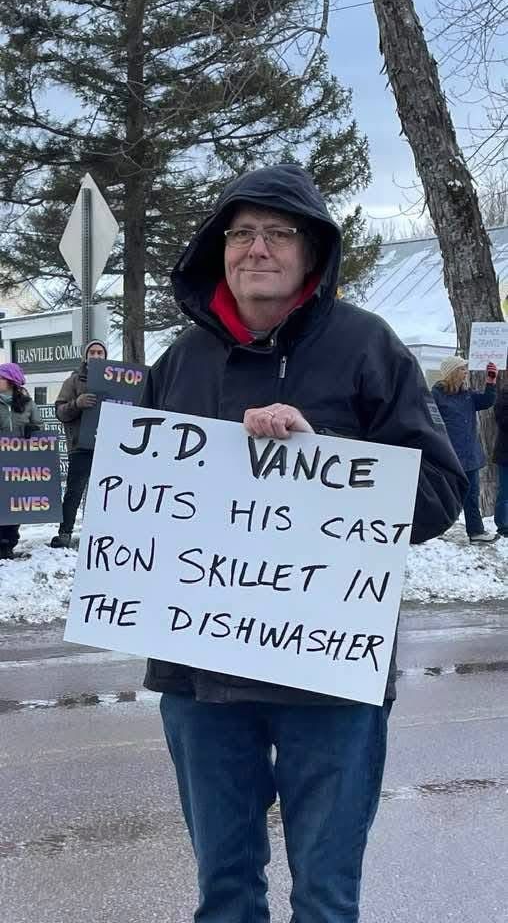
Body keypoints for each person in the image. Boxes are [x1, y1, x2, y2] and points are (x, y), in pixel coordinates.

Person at [141, 164, 467, 923]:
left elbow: (440, 497)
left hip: (330, 676)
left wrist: (323, 464)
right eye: (241, 232)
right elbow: (138, 497)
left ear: (312, 253)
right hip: (200, 675)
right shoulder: (180, 361)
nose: (257, 248)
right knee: (223, 895)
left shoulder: (367, 347)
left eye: (278, 233)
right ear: (219, 249)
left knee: (324, 899)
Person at [432, 355, 498, 544]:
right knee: (443, 494)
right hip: (448, 456)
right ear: (452, 373)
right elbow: (430, 422)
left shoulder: (467, 395)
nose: (465, 373)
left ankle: (476, 532)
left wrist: (491, 381)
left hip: (470, 456)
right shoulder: (436, 395)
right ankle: (434, 528)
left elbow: (486, 401)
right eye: (462, 369)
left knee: (471, 496)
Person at [50, 339, 107, 549]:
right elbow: (60, 412)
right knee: (74, 491)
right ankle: (65, 532)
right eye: (92, 352)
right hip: (81, 446)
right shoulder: (72, 382)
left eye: (100, 352)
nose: (96, 355)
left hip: (108, 447)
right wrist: (77, 403)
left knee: (105, 491)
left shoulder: (116, 379)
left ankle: (100, 531)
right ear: (86, 356)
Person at [0, 362, 41, 560]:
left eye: (0, 378)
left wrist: (32, 430)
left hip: (19, 462)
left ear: (11, 381)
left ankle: (9, 542)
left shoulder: (28, 404)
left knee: (14, 503)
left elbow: (39, 427)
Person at [494, 382, 508, 536]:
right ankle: (503, 525)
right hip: (505, 454)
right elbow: (503, 421)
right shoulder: (504, 397)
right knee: (505, 492)